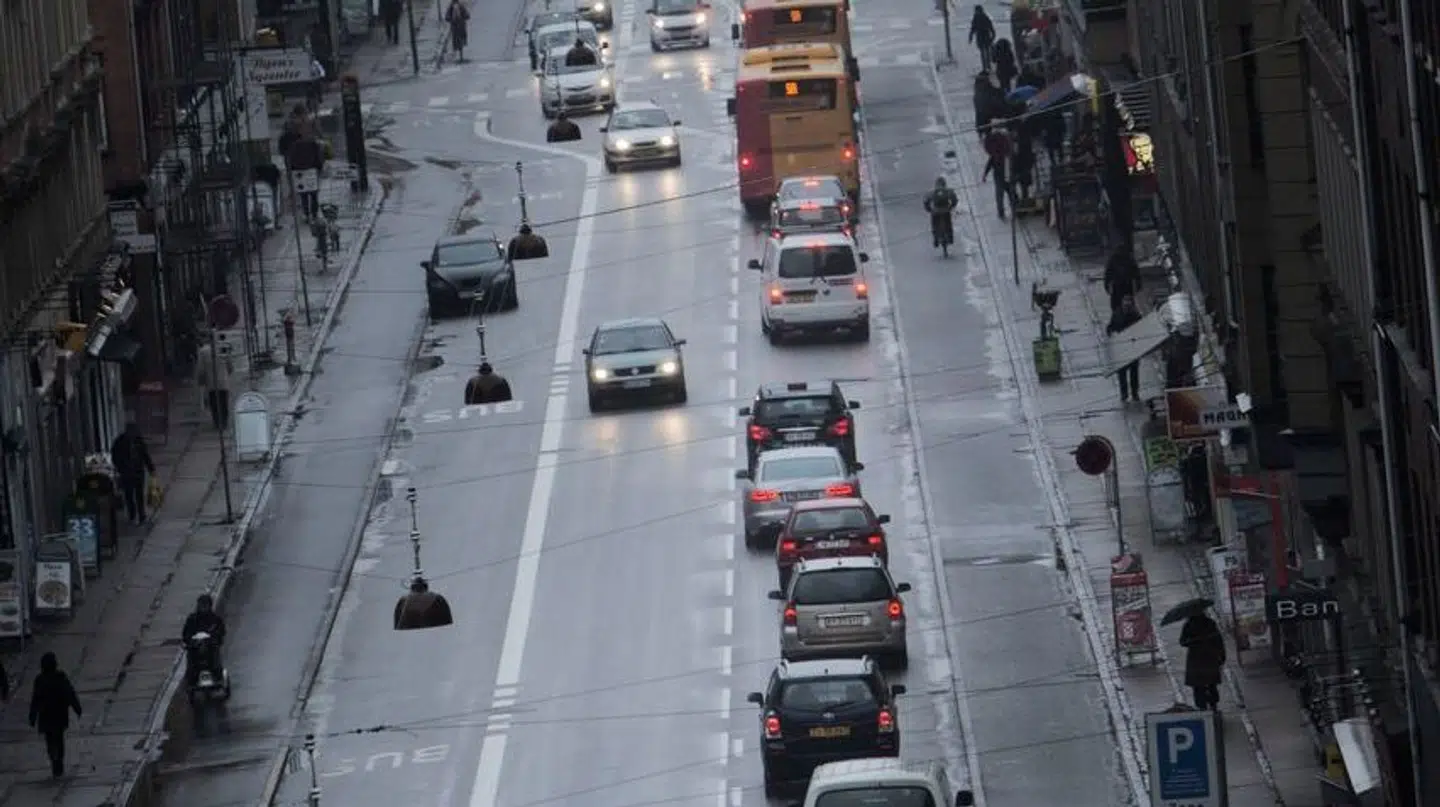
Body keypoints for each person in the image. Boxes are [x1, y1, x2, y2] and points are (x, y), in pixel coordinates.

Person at [28, 652, 81, 779]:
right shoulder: (60, 677)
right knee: (59, 739)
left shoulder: (40, 680)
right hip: (59, 714)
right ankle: (58, 761)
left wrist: (32, 716)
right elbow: (69, 693)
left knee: (50, 740)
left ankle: (54, 758)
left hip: (46, 716)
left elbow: (35, 699)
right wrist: (76, 707)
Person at [110, 420, 156, 525]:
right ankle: (132, 514)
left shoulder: (138, 441)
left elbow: (145, 455)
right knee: (129, 495)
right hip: (126, 473)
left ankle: (142, 515)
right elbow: (115, 456)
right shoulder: (120, 442)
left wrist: (151, 469)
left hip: (138, 471)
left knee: (139, 494)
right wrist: (120, 468)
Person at [1180, 611, 1227, 710]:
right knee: (1211, 684)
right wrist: (1222, 655)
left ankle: (1202, 708)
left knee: (1198, 686)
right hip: (1210, 657)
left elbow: (1182, 642)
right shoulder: (1210, 623)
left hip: (1195, 660)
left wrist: (1192, 641)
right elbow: (1218, 640)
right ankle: (1213, 705)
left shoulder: (1188, 625)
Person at [182, 594, 227, 685]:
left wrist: (215, 639)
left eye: (205, 605)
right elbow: (186, 633)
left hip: (210, 645)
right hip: (195, 646)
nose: (203, 608)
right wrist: (191, 641)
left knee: (215, 659)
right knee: (191, 660)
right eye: (201, 605)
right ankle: (191, 678)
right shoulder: (192, 619)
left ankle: (217, 676)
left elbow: (221, 631)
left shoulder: (215, 619)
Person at [1106, 295, 1143, 402]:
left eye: (1129, 302)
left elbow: (1141, 328)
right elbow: (1110, 326)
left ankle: (1135, 392)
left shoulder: (1136, 315)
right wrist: (1111, 334)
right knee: (1122, 372)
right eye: (1125, 301)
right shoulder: (1117, 314)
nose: (1127, 304)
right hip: (1121, 348)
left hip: (1132, 347)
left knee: (1134, 372)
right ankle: (1124, 393)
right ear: (1122, 303)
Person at [981, 124, 1013, 218]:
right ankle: (1009, 210)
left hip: (1001, 175)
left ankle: (1002, 212)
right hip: (1004, 175)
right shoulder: (1003, 154)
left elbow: (989, 163)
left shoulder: (996, 155)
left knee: (1001, 195)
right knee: (1008, 193)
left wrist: (985, 175)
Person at [922, 177, 959, 247]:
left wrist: (929, 209)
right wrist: (951, 207)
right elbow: (954, 200)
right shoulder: (948, 191)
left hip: (936, 211)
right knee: (949, 224)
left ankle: (935, 239)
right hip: (946, 210)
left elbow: (926, 201)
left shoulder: (932, 192)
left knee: (934, 225)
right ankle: (950, 237)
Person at [1104, 245, 1141, 314]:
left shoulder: (1114, 259)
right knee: (1127, 302)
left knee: (1116, 304)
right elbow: (1136, 274)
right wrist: (1138, 285)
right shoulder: (1129, 259)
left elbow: (1108, 274)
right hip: (1127, 285)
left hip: (1118, 285)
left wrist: (1106, 285)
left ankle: (1119, 315)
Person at [967, 5, 996, 71]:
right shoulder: (984, 17)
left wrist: (970, 37)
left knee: (984, 52)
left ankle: (986, 66)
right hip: (984, 36)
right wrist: (993, 35)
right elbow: (991, 27)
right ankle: (987, 66)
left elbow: (973, 28)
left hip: (982, 36)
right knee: (985, 52)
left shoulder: (977, 17)